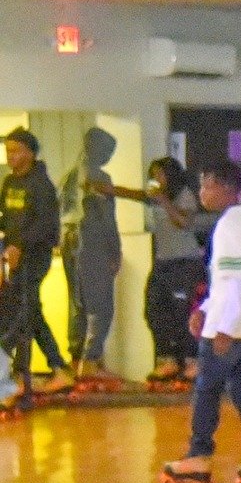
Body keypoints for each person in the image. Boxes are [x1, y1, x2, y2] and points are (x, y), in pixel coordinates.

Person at [157, 162, 241, 483]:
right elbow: (232, 281)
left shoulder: (229, 227)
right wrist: (204, 308)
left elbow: (232, 281)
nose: (202, 193)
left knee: (207, 390)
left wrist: (223, 325)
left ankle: (198, 456)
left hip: (231, 329)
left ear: (229, 189)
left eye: (208, 185)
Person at [99, 157, 208, 385]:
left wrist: (164, 201)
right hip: (162, 262)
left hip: (185, 263)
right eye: (153, 175)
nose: (156, 179)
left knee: (184, 314)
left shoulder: (184, 195)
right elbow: (135, 194)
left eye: (160, 174)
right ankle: (166, 359)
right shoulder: (155, 196)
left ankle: (191, 362)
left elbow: (183, 222)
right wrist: (107, 189)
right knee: (154, 310)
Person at [1, 127, 72, 407]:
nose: (10, 156)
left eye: (16, 151)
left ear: (30, 153)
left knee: (22, 311)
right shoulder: (9, 183)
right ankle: (55, 369)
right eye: (7, 151)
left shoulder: (41, 184)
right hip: (13, 256)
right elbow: (6, 219)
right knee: (29, 311)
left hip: (34, 257)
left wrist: (21, 245)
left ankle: (23, 374)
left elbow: (47, 225)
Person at [59, 126, 125, 389]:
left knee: (77, 305)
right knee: (101, 305)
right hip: (92, 241)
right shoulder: (99, 177)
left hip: (68, 241)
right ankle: (91, 361)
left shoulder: (67, 177)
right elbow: (107, 218)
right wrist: (115, 248)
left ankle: (75, 360)